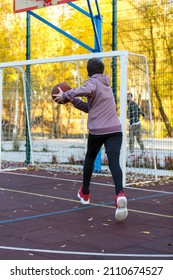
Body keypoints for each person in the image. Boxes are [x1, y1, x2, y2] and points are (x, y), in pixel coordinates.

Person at [53, 58, 128, 221]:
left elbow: (86, 89)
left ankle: (85, 193)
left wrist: (65, 94)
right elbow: (90, 108)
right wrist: (73, 100)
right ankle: (119, 194)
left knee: (90, 158)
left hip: (98, 131)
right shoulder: (107, 87)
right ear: (102, 70)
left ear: (89, 72)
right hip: (115, 130)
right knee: (114, 163)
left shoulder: (92, 83)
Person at [127, 92, 145, 157]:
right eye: (127, 96)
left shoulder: (132, 104)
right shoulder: (129, 104)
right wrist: (142, 114)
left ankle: (143, 151)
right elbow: (139, 110)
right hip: (133, 123)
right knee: (131, 139)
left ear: (131, 97)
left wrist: (131, 123)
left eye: (129, 96)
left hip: (135, 124)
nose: (127, 97)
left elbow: (134, 114)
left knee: (138, 139)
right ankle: (132, 153)